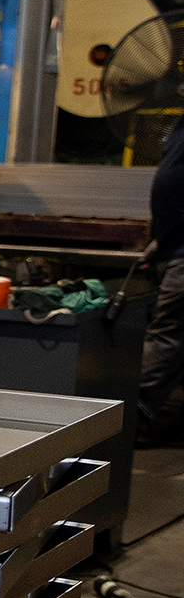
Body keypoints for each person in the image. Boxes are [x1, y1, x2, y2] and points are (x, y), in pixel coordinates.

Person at [137, 119, 184, 441]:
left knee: (168, 335)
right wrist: (160, 241)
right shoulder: (178, 127)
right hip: (172, 247)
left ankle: (132, 419)